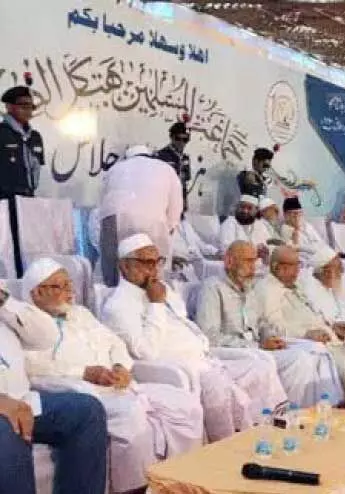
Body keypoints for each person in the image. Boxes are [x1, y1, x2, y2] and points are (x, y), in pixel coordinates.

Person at [21, 259, 203, 493]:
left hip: (119, 385)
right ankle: (134, 489)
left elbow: (114, 342)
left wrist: (120, 366)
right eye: (60, 286)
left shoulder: (80, 313)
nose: (69, 292)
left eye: (69, 284)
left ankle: (181, 481)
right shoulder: (26, 325)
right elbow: (33, 367)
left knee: (185, 404)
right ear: (37, 292)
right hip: (84, 393)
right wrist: (84, 373)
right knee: (131, 415)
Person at [101, 234, 286, 442]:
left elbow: (186, 324)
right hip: (179, 368)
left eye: (157, 262)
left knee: (261, 366)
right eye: (146, 262)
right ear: (125, 266)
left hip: (206, 358)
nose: (153, 269)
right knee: (215, 383)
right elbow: (146, 352)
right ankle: (228, 445)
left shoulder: (162, 289)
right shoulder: (118, 306)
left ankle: (269, 433)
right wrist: (156, 305)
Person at [195, 241, 339, 407]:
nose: (253, 267)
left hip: (258, 347)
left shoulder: (249, 287)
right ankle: (289, 413)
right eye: (247, 261)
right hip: (236, 352)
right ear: (229, 262)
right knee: (298, 360)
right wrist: (257, 345)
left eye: (254, 261)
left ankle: (322, 408)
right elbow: (210, 336)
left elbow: (261, 323)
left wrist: (270, 337)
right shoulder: (213, 288)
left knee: (313, 351)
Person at [0, 283, 108, 494]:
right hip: (4, 411)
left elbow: (47, 337)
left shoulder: (5, 307)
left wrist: (5, 301)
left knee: (87, 411)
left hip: (22, 399)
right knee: (10, 427)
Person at [256, 246, 345, 394]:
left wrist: (334, 326)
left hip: (333, 339)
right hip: (313, 345)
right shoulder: (267, 290)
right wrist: (305, 334)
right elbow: (273, 327)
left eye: (298, 264)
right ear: (277, 267)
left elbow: (318, 314)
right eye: (293, 266)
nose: (298, 270)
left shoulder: (298, 285)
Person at [99, 145, 184, 287]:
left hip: (114, 223)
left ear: (127, 157)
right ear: (150, 155)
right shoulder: (167, 169)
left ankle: (112, 292)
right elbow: (175, 210)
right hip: (154, 224)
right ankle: (154, 296)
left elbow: (102, 207)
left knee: (115, 277)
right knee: (153, 274)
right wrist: (165, 230)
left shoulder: (114, 169)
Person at [0, 86, 45, 277]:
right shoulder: (2, 133)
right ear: (9, 107)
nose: (28, 111)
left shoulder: (35, 137)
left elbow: (37, 169)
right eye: (23, 106)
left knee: (28, 247)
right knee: (7, 249)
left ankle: (27, 280)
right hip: (4, 201)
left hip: (28, 202)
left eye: (31, 107)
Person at [218, 195, 270, 264]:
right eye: (242, 207)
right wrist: (254, 252)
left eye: (249, 208)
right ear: (237, 208)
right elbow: (226, 250)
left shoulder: (260, 225)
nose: (245, 211)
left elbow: (268, 246)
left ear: (256, 210)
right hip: (236, 266)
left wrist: (265, 252)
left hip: (259, 267)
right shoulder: (229, 223)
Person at [154, 122, 192, 209]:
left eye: (185, 139)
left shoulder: (185, 158)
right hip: (163, 204)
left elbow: (184, 183)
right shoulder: (161, 156)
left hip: (177, 205)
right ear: (171, 137)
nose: (181, 143)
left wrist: (184, 200)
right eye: (178, 138)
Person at [280, 197, 326, 264]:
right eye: (294, 213)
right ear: (285, 215)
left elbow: (322, 244)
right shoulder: (285, 230)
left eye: (300, 213)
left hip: (321, 258)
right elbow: (293, 253)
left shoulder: (307, 226)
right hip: (306, 264)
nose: (297, 216)